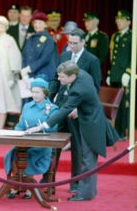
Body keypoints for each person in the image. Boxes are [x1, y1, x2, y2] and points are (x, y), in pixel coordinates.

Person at [28, 61, 118, 201]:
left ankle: (85, 194)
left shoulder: (78, 89)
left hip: (91, 122)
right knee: (87, 159)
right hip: (88, 116)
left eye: (62, 77)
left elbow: (66, 108)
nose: (59, 79)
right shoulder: (81, 74)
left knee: (88, 159)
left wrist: (42, 126)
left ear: (72, 76)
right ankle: (86, 191)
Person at [48, 28, 101, 193]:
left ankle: (75, 182)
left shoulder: (92, 60)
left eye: (74, 43)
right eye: (69, 42)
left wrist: (80, 107)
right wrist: (49, 100)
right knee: (53, 143)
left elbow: (95, 87)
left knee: (77, 145)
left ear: (83, 42)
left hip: (78, 106)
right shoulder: (64, 55)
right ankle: (49, 180)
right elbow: (56, 79)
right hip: (62, 103)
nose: (71, 46)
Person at [4, 77, 58, 199]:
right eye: (32, 91)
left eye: (37, 92)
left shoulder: (52, 108)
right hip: (24, 142)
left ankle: (28, 187)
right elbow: (20, 125)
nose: (34, 95)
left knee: (28, 155)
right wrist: (17, 132)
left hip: (42, 145)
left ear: (45, 92)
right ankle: (16, 185)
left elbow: (52, 127)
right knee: (13, 153)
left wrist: (37, 129)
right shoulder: (27, 106)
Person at [106, 10, 132, 140]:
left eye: (121, 20)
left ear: (128, 21)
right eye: (117, 20)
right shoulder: (115, 36)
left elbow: (133, 56)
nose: (118, 22)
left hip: (125, 76)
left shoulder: (132, 36)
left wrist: (129, 71)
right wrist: (110, 73)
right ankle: (115, 131)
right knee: (114, 104)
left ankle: (122, 131)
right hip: (116, 75)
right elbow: (113, 57)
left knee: (123, 104)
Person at [21, 11, 58, 82]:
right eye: (35, 22)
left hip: (44, 75)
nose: (37, 25)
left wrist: (30, 68)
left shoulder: (49, 39)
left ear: (45, 25)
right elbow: (24, 55)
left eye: (40, 23)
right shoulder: (30, 38)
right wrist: (24, 69)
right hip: (30, 75)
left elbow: (45, 58)